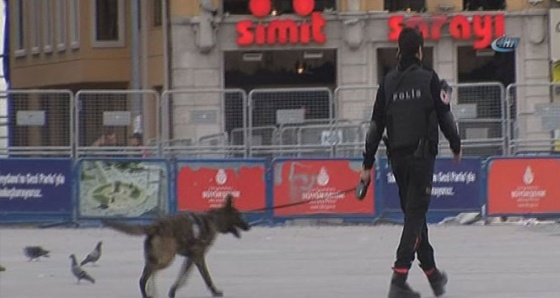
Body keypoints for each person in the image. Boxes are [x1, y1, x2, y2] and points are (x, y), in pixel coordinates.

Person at [359, 27, 462, 298]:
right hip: (421, 159)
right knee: (415, 216)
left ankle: (433, 274)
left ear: (397, 51)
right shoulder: (431, 79)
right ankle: (399, 279)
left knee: (414, 217)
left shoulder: (387, 83)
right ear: (419, 51)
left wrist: (367, 165)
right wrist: (456, 145)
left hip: (397, 161)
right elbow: (445, 117)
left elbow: (374, 126)